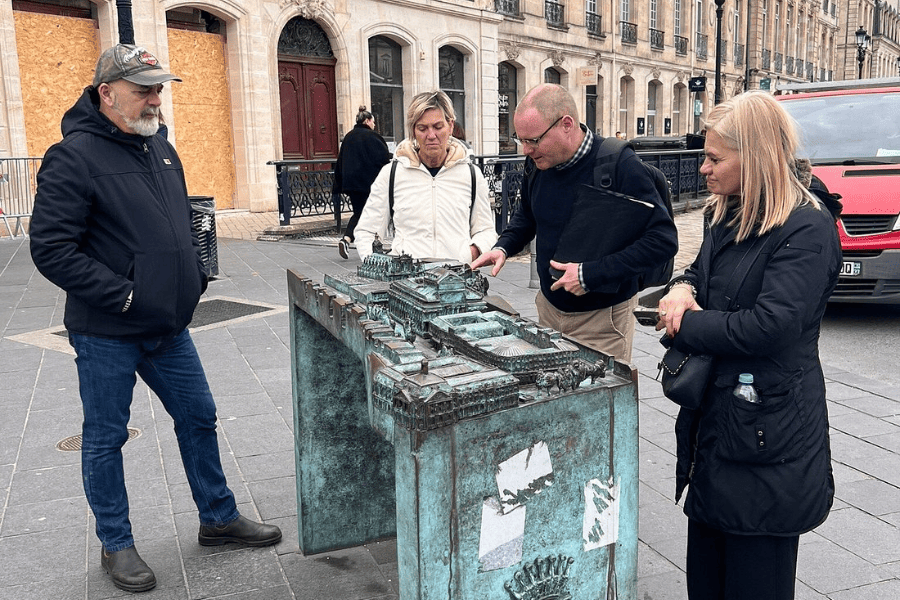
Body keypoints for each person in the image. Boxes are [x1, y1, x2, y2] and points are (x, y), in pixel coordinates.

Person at [29, 44, 281, 593]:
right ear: (107, 93)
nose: (155, 99)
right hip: (107, 331)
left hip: (168, 328)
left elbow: (180, 221)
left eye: (158, 88)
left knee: (199, 416)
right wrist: (123, 297)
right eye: (143, 89)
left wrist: (196, 275)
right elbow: (50, 249)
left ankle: (218, 518)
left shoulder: (160, 147)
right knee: (105, 437)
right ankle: (116, 544)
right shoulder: (72, 156)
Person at [655, 91, 841, 600]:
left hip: (769, 435)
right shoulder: (728, 212)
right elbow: (702, 271)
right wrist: (682, 288)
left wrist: (684, 326)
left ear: (754, 157)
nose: (703, 168)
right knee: (707, 577)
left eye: (715, 158)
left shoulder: (807, 225)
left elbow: (771, 326)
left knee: (756, 578)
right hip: (721, 424)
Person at [471, 84, 677, 361]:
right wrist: (504, 247)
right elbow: (528, 215)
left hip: (602, 321)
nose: (527, 150)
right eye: (521, 140)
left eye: (534, 140)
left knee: (602, 391)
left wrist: (589, 275)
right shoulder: (538, 163)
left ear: (566, 124)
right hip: (548, 311)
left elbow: (663, 241)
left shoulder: (619, 164)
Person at [354, 90, 496, 264]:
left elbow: (486, 230)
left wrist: (471, 253)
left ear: (450, 126)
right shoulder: (392, 174)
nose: (431, 135)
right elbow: (367, 231)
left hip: (456, 276)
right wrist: (378, 267)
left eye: (438, 127)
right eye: (422, 128)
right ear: (413, 131)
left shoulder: (471, 174)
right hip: (406, 276)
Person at [332, 105, 391, 259]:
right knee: (371, 213)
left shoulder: (349, 137)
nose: (374, 125)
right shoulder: (373, 137)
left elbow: (340, 161)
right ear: (367, 121)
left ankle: (348, 240)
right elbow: (383, 159)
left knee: (360, 212)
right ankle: (358, 242)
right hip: (369, 184)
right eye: (373, 121)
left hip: (351, 184)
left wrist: (339, 184)